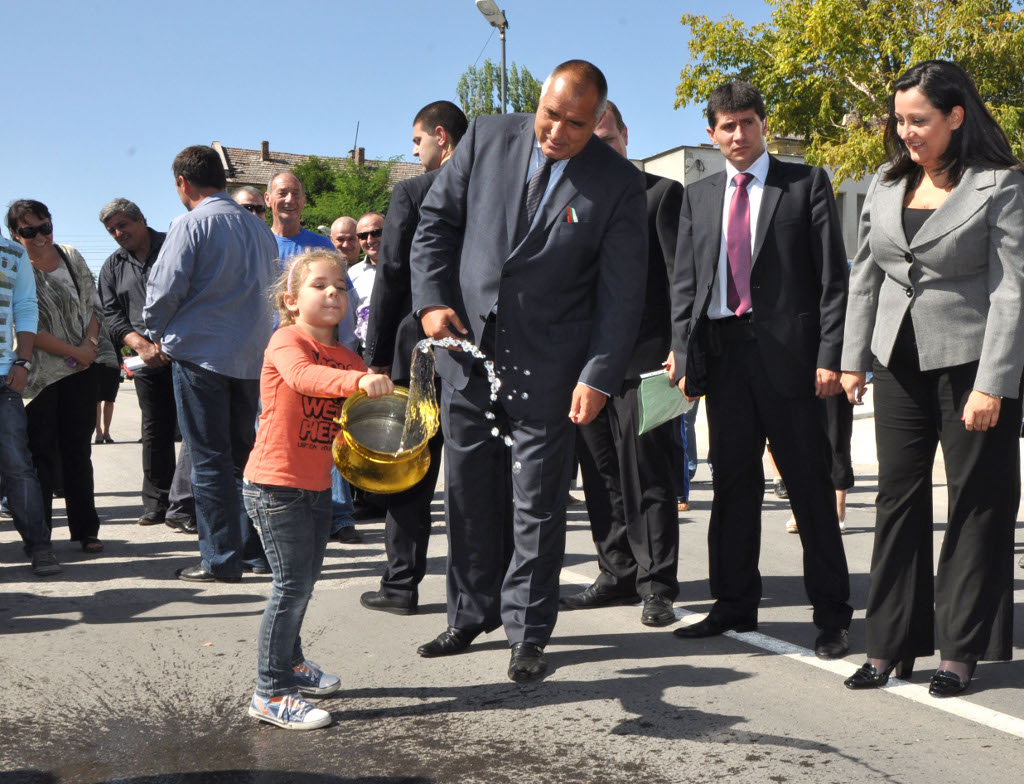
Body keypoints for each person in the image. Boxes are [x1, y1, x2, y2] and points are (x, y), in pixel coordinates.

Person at [410, 59, 648, 682]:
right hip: (467, 354)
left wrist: (597, 375)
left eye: (576, 124)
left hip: (552, 367)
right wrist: (431, 301)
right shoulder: (487, 137)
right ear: (538, 100)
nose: (557, 132)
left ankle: (528, 633)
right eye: (550, 115)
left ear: (598, 120)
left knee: (537, 506)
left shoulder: (618, 184)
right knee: (467, 495)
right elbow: (435, 223)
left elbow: (622, 292)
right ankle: (469, 614)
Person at [840, 60, 1024, 697]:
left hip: (972, 365)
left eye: (918, 120)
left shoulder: (1000, 185)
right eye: (899, 120)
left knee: (976, 503)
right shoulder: (887, 181)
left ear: (956, 116)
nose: (905, 132)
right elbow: (865, 275)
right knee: (897, 500)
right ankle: (888, 645)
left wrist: (993, 383)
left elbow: (1011, 290)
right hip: (899, 362)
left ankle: (961, 652)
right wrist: (852, 358)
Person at [667, 81, 853, 659]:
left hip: (792, 362)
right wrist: (682, 353)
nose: (739, 134)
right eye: (727, 126)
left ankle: (832, 615)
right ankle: (732, 604)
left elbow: (833, 280)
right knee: (732, 486)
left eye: (748, 122)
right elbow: (684, 285)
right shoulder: (697, 196)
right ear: (711, 134)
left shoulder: (805, 184)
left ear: (763, 125)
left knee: (809, 488)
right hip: (724, 359)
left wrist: (831, 356)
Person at [243, 248, 393, 730]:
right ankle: (270, 692)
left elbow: (350, 424)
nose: (333, 293)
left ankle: (291, 663)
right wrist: (360, 380)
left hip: (315, 486)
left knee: (303, 585)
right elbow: (304, 377)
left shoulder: (348, 357)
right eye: (320, 285)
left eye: (341, 287)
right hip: (274, 485)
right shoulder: (286, 340)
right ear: (290, 300)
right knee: (290, 587)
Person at [564, 101, 683, 627]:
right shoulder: (572, 202)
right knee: (599, 474)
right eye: (591, 142)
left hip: (646, 362)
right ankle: (616, 573)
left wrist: (680, 346)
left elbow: (680, 279)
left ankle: (657, 585)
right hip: (586, 367)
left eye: (608, 139)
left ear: (626, 136)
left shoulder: (661, 195)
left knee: (647, 475)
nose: (601, 150)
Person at [144, 145, 279, 582]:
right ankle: (254, 552)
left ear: (183, 183)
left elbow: (164, 290)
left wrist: (156, 331)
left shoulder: (189, 224)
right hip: (251, 358)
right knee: (245, 458)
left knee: (208, 460)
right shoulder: (260, 230)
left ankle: (220, 559)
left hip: (201, 356)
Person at [360, 99, 468, 615]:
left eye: (417, 141)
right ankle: (476, 592)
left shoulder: (413, 192)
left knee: (412, 471)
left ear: (441, 136)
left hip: (419, 353)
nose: (415, 151)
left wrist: (377, 355)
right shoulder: (494, 189)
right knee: (473, 473)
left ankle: (400, 586)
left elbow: (391, 273)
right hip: (476, 350)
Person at [7, 200, 120, 555]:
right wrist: (75, 352)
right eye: (29, 231)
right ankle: (40, 538)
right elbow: (26, 324)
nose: (40, 236)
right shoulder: (15, 266)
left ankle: (86, 530)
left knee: (78, 451)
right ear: (15, 234)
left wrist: (88, 347)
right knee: (40, 454)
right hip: (39, 374)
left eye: (45, 227)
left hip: (82, 368)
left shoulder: (70, 256)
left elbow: (93, 306)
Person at [262, 171, 363, 545]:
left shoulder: (321, 246)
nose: (289, 199)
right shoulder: (259, 244)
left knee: (329, 432)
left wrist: (345, 351)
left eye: (296, 193)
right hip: (274, 359)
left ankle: (340, 514)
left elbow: (346, 302)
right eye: (282, 193)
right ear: (269, 200)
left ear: (305, 201)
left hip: (321, 358)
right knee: (277, 435)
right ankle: (282, 514)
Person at [98, 198, 186, 526]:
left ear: (141, 220)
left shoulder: (174, 246)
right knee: (155, 429)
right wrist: (140, 345)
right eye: (111, 230)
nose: (118, 233)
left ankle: (190, 503)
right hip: (145, 359)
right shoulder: (112, 266)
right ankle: (157, 503)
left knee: (194, 429)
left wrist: (172, 340)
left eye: (122, 225)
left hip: (186, 353)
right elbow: (110, 313)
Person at [0, 231, 61, 575]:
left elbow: (25, 306)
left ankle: (39, 546)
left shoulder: (12, 253)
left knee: (18, 466)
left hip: (4, 377)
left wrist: (22, 361)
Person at [350, 212, 383, 347]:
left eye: (376, 233)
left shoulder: (410, 267)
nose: (370, 240)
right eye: (363, 236)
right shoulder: (352, 275)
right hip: (366, 351)